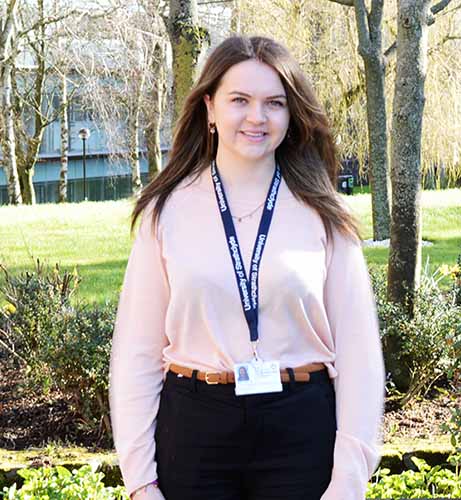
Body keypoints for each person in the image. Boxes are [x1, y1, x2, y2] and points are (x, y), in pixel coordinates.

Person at [109, 35, 385, 500]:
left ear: (290, 115)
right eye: (240, 100)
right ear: (210, 109)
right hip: (195, 430)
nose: (257, 117)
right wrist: (140, 480)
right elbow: (136, 353)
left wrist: (349, 479)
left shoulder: (324, 213)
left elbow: (360, 352)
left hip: (300, 429)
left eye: (274, 103)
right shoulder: (166, 212)